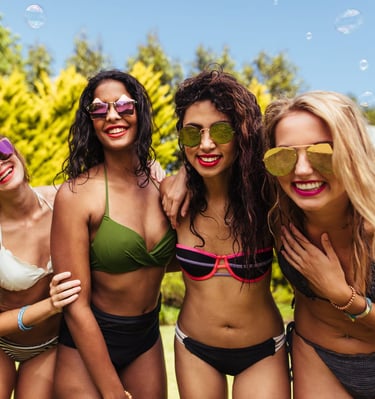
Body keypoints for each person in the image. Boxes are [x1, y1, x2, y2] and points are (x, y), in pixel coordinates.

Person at [160, 69, 290, 399]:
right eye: (192, 134)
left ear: (242, 135)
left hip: (262, 351)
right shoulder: (172, 196)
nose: (205, 144)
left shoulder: (268, 196)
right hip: (194, 348)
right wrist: (180, 176)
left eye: (220, 131)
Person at [50, 69, 176, 399]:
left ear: (140, 112)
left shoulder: (164, 187)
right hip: (86, 341)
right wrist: (112, 392)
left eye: (123, 105)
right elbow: (75, 306)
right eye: (99, 109)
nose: (112, 115)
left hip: (145, 337)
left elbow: (178, 258)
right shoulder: (77, 195)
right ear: (89, 121)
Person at [262, 90, 375, 399]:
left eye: (321, 153)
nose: (300, 170)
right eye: (283, 156)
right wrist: (178, 181)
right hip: (317, 359)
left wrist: (344, 297)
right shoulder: (276, 214)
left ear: (352, 152)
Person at [0, 135, 81, 399]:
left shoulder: (63, 198)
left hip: (49, 345)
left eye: (2, 149)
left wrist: (174, 178)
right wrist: (50, 306)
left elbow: (118, 181)